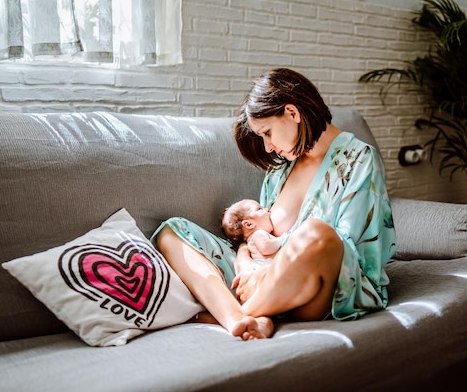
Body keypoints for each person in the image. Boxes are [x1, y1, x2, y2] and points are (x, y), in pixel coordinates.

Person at [152, 67, 397, 341]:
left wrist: (271, 272)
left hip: (320, 288)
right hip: (256, 274)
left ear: (292, 113)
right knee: (171, 231)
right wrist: (245, 263)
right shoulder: (281, 169)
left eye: (267, 132)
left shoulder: (359, 159)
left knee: (318, 234)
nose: (268, 147)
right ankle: (242, 319)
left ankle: (242, 312)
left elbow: (355, 253)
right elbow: (255, 233)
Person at [221, 199, 285, 265]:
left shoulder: (252, 243)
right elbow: (265, 247)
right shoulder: (258, 234)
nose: (267, 209)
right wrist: (281, 239)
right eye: (260, 209)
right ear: (249, 224)